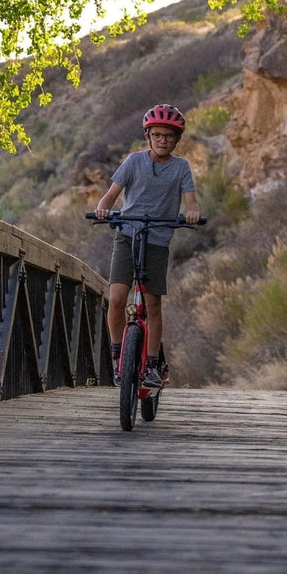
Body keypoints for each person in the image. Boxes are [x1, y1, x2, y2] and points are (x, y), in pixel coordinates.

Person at [94, 103, 201, 388]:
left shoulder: (181, 168)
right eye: (157, 135)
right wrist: (103, 208)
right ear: (148, 136)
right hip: (127, 234)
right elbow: (111, 195)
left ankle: (152, 364)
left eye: (168, 136)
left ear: (177, 139)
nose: (162, 140)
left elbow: (191, 201)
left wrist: (192, 212)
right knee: (117, 297)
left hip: (157, 239)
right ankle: (119, 357)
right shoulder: (133, 162)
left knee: (152, 303)